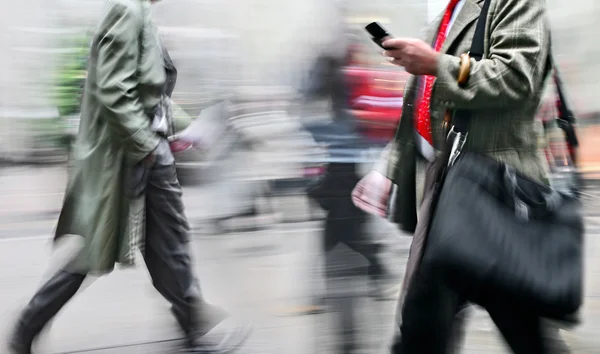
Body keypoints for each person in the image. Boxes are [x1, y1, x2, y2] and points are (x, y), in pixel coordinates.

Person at [8, 1, 250, 353]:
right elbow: (114, 90)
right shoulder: (129, 10)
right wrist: (147, 146)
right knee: (106, 248)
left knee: (166, 245)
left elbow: (151, 96)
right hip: (135, 157)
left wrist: (187, 129)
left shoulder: (141, 13)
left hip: (146, 154)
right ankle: (26, 327)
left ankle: (192, 330)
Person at [352, 0, 570, 352]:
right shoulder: (450, 14)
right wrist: (388, 167)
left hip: (496, 189)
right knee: (427, 322)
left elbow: (516, 79)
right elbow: (419, 102)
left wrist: (436, 63)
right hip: (453, 189)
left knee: (518, 325)